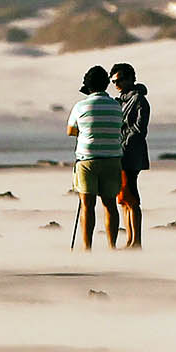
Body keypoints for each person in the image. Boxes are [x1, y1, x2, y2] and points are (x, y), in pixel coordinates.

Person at [65, 65, 122, 250]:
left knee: (87, 204)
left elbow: (71, 131)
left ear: (88, 87)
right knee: (110, 204)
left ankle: (87, 247)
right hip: (112, 158)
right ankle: (112, 246)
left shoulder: (80, 106)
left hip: (87, 158)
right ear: (106, 85)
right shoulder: (116, 105)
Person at [109, 62, 150, 250]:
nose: (116, 84)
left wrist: (123, 142)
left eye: (119, 80)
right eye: (113, 81)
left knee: (131, 196)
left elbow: (139, 129)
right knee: (123, 197)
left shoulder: (139, 100)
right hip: (123, 152)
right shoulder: (123, 100)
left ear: (131, 79)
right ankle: (130, 240)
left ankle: (136, 241)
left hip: (131, 153)